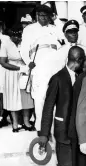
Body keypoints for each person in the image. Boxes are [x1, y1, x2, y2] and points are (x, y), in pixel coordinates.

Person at [39, 46, 86, 166]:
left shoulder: (82, 76)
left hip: (79, 133)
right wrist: (44, 135)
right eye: (83, 60)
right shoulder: (58, 78)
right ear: (78, 60)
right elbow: (48, 108)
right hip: (63, 132)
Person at [21, 4, 63, 137]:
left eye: (46, 15)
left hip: (55, 63)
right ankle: (42, 129)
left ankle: (55, 130)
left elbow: (64, 34)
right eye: (41, 15)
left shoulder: (55, 28)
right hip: (39, 64)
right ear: (37, 15)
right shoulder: (29, 29)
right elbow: (23, 49)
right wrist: (29, 62)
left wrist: (56, 19)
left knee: (56, 96)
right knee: (40, 98)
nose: (43, 18)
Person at [0, 25, 35, 132]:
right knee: (13, 99)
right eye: (15, 35)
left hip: (24, 72)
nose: (18, 37)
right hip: (11, 73)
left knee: (26, 98)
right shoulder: (5, 44)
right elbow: (3, 62)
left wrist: (29, 65)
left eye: (19, 35)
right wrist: (19, 68)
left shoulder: (25, 43)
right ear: (10, 36)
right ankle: (15, 124)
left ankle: (26, 122)